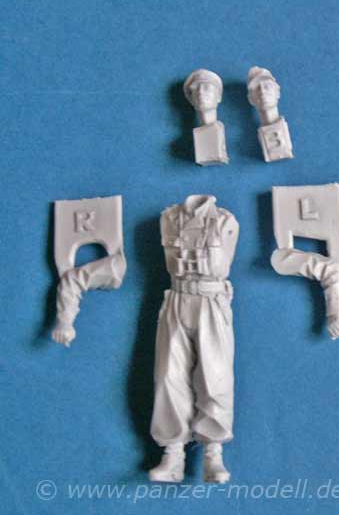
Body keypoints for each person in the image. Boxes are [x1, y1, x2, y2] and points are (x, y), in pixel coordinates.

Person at [149, 195, 239, 483]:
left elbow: (225, 262)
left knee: (215, 376)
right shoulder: (168, 218)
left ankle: (213, 454)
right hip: (177, 297)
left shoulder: (224, 220)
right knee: (168, 375)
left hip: (211, 300)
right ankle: (173, 453)